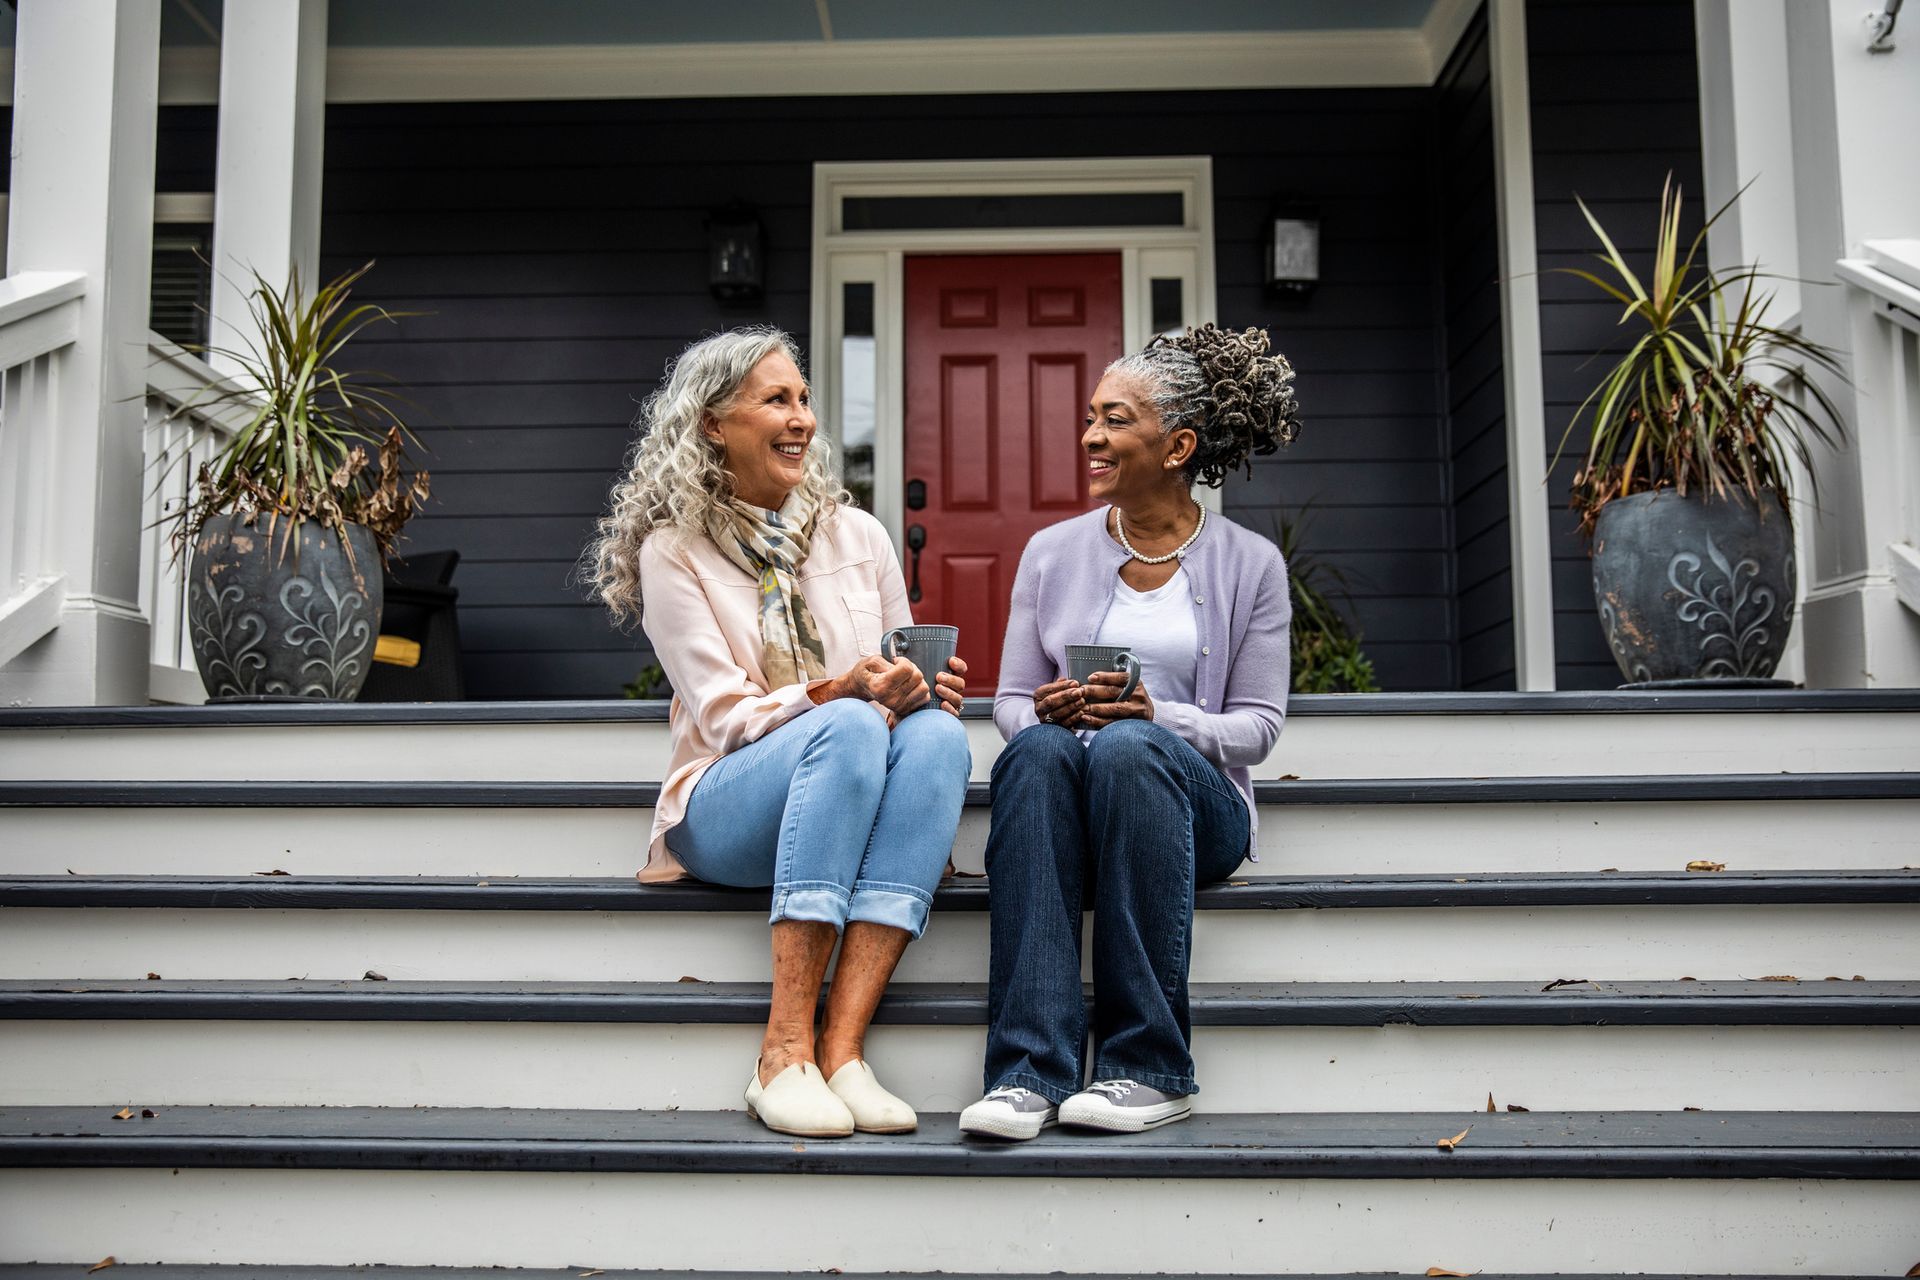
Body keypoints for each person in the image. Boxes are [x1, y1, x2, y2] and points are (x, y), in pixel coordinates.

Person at [588, 327, 972, 1140]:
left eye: (804, 400)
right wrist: (842, 691)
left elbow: (900, 679)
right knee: (850, 724)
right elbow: (726, 718)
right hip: (728, 809)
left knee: (936, 741)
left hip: (850, 783)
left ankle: (842, 1053)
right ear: (712, 425)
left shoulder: (858, 534)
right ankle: (781, 1051)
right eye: (775, 400)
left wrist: (925, 690)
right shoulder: (674, 551)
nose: (801, 418)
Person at [959, 324, 1299, 1140]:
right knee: (1038, 750)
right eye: (1092, 417)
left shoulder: (1250, 564)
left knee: (1130, 746)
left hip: (1191, 808)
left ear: (1178, 444)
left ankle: (1149, 1066)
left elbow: (1259, 728)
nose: (1090, 438)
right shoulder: (1051, 553)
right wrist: (1046, 710)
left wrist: (1162, 717)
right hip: (1070, 793)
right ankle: (1026, 1075)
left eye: (1114, 420)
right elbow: (1006, 701)